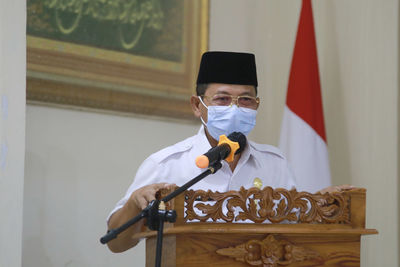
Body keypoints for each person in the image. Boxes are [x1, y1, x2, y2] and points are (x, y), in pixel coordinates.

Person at [106, 51, 347, 253]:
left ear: (257, 104)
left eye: (245, 100)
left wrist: (320, 204)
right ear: (197, 105)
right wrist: (135, 204)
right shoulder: (167, 164)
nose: (234, 108)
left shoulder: (275, 163)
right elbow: (115, 243)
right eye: (222, 99)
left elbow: (295, 232)